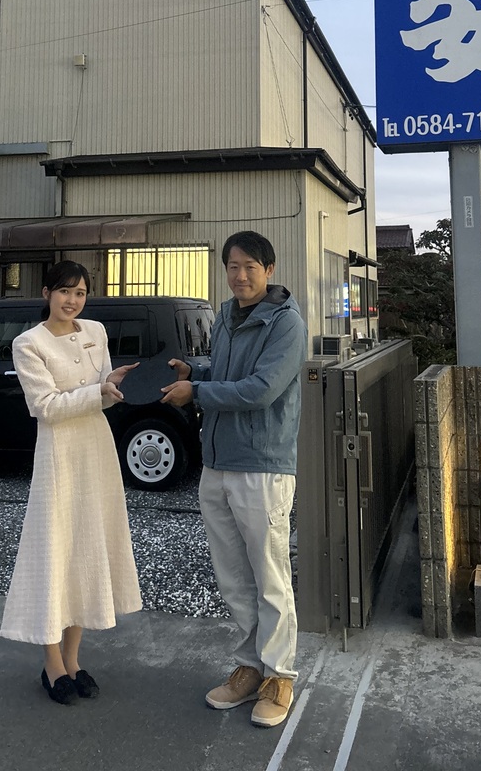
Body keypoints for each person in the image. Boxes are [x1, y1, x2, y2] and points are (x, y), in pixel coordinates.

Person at [162, 231, 307, 728]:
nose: (240, 276)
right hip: (217, 463)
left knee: (270, 577)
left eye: (250, 267)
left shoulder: (286, 324)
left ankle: (280, 676)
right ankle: (249, 667)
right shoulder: (226, 316)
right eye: (232, 266)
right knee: (233, 577)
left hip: (263, 466)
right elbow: (227, 373)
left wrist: (197, 391)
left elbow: (261, 389)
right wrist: (195, 370)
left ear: (270, 269)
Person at [0, 261, 142, 705]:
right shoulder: (29, 343)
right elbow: (45, 406)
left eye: (80, 292)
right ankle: (51, 664)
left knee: (86, 546)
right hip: (59, 454)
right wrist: (98, 393)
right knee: (54, 549)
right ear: (47, 293)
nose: (72, 300)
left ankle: (73, 658)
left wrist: (110, 385)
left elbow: (101, 393)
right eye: (64, 291)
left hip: (96, 448)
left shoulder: (96, 330)